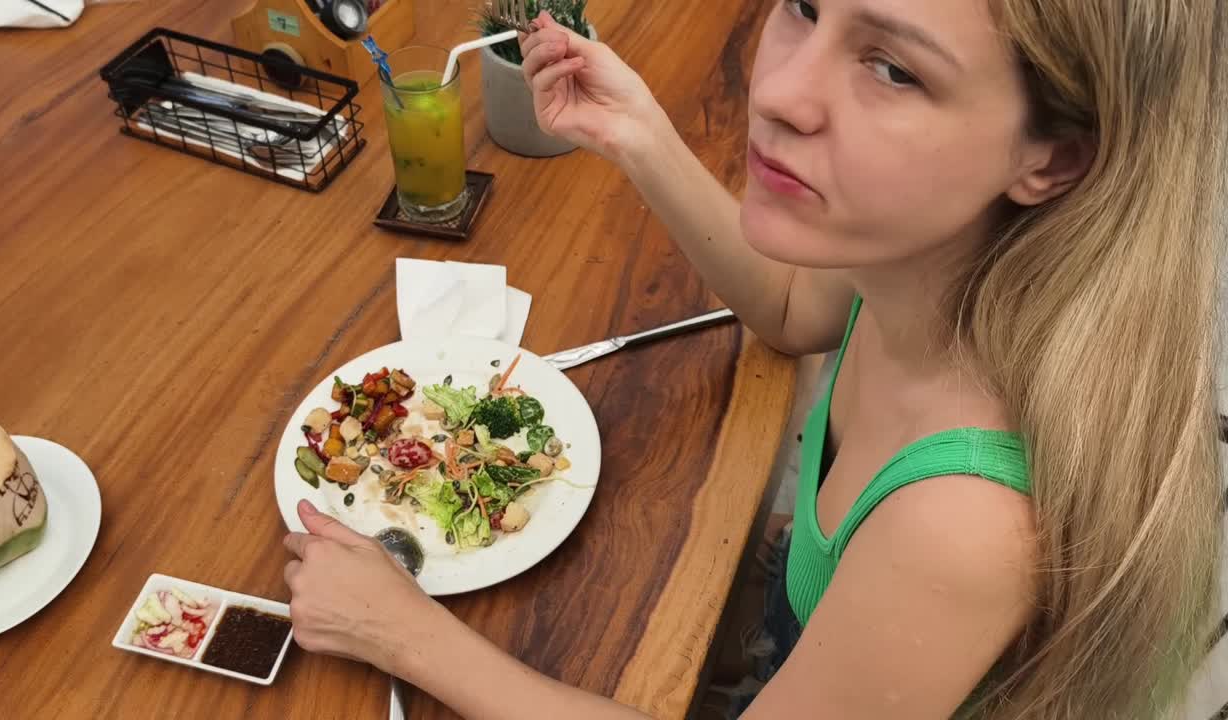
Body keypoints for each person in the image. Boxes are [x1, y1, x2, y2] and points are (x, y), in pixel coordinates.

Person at [281, 1, 1227, 717]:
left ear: (1054, 160)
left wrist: (399, 633)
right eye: (806, 7)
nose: (775, 92)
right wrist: (637, 132)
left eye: (894, 69)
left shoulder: (966, 522)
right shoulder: (920, 255)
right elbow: (785, 307)